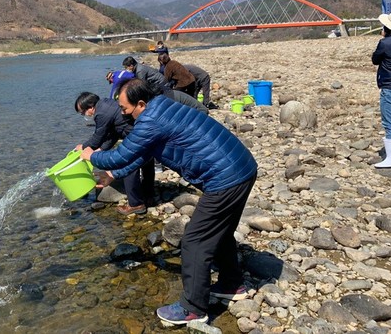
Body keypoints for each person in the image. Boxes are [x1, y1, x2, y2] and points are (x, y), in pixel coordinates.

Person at [80, 78, 257, 326]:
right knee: (221, 230)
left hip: (226, 179)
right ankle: (231, 284)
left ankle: (193, 308)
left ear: (140, 104)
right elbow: (143, 154)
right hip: (241, 167)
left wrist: (92, 156)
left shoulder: (150, 121)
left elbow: (120, 154)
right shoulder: (161, 106)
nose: (122, 113)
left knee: (194, 241)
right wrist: (113, 175)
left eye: (125, 109)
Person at [74, 92, 155, 214]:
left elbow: (98, 136)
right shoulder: (107, 104)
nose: (84, 115)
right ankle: (149, 195)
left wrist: (84, 147)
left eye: (82, 112)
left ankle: (136, 204)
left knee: (128, 166)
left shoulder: (101, 113)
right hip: (143, 133)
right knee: (147, 163)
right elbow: (114, 132)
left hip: (135, 136)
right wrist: (102, 149)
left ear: (90, 107)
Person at [372, 12, 391, 168]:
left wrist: (384, 37)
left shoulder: (385, 43)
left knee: (390, 122)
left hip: (389, 86)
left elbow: (375, 59)